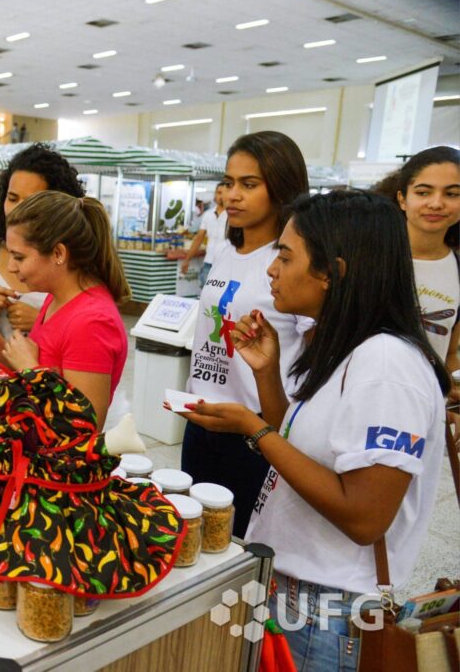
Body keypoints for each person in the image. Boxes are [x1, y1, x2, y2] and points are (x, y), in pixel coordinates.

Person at [175, 191, 448, 671]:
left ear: (332, 272)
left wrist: (254, 429)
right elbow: (305, 448)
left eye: (285, 256)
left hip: (327, 609)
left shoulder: (387, 365)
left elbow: (364, 517)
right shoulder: (346, 348)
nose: (271, 269)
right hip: (295, 591)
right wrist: (267, 374)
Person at [181, 130, 310, 538]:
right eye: (229, 182)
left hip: (256, 433)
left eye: (249, 184)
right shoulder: (225, 253)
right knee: (195, 537)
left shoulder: (290, 263)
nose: (232, 195)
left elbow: (314, 358)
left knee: (240, 544)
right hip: (202, 421)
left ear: (282, 188)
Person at [0, 191, 130, 426]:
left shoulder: (92, 321)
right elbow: (25, 370)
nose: (11, 267)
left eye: (19, 257)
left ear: (58, 254)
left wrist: (31, 368)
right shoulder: (56, 299)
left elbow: (83, 427)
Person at [0, 143, 86, 415]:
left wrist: (41, 322)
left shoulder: (71, 267)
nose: (17, 210)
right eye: (12, 198)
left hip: (49, 407)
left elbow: (82, 410)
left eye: (31, 201)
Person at [394, 146, 460, 403]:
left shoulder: (457, 269)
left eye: (452, 194)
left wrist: (452, 391)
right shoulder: (369, 258)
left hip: (427, 404)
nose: (436, 203)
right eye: (423, 192)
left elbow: (448, 353)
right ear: (402, 199)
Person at [182, 183, 228, 287]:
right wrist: (187, 260)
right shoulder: (208, 214)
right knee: (205, 292)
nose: (220, 196)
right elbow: (199, 238)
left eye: (224, 193)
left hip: (227, 264)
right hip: (209, 262)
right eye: (218, 192)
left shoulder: (234, 216)